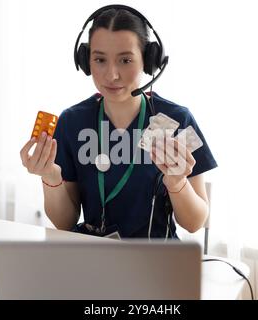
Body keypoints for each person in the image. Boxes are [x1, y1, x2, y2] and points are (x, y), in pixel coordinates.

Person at [20, 5, 217, 239]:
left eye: (125, 60)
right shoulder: (72, 121)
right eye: (100, 59)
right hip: (94, 258)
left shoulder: (178, 120)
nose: (112, 75)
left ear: (148, 60)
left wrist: (177, 183)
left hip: (157, 261)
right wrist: (50, 177)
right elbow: (65, 223)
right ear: (85, 61)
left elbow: (195, 222)